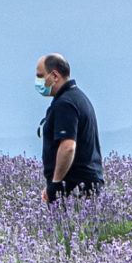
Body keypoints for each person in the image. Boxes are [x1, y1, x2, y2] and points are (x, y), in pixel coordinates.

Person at [35, 53, 104, 203]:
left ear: (54, 76)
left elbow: (68, 146)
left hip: (74, 187)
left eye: (41, 76)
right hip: (84, 184)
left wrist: (56, 183)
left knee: (71, 225)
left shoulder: (65, 104)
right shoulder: (77, 98)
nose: (38, 81)